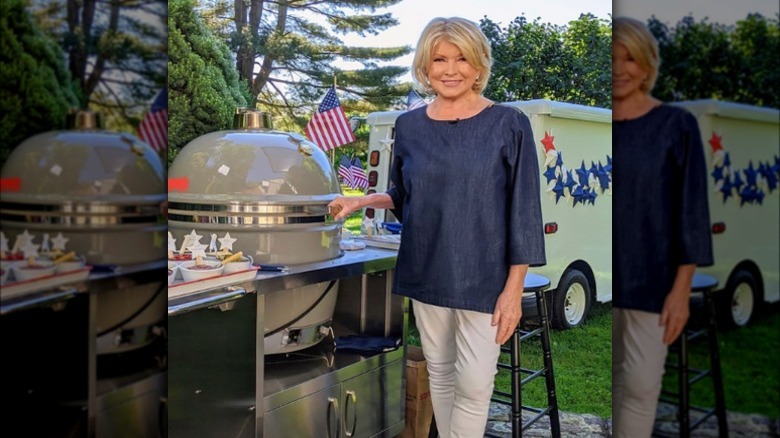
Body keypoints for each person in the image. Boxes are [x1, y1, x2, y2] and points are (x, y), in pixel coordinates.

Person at [328, 17, 545, 438]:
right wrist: (363, 199)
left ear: (479, 66)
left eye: (462, 58)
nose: (450, 69)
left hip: (485, 278)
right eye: (439, 59)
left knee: (476, 383)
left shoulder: (508, 123)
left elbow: (525, 211)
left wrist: (513, 290)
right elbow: (405, 194)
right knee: (441, 374)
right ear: (424, 68)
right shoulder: (408, 126)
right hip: (426, 269)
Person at [612, 17, 713, 438]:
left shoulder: (676, 125)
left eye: (629, 58)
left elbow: (692, 211)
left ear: (647, 63)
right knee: (609, 381)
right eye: (611, 58)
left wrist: (681, 290)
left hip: (653, 282)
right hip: (604, 279)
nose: (619, 68)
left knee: (639, 386)